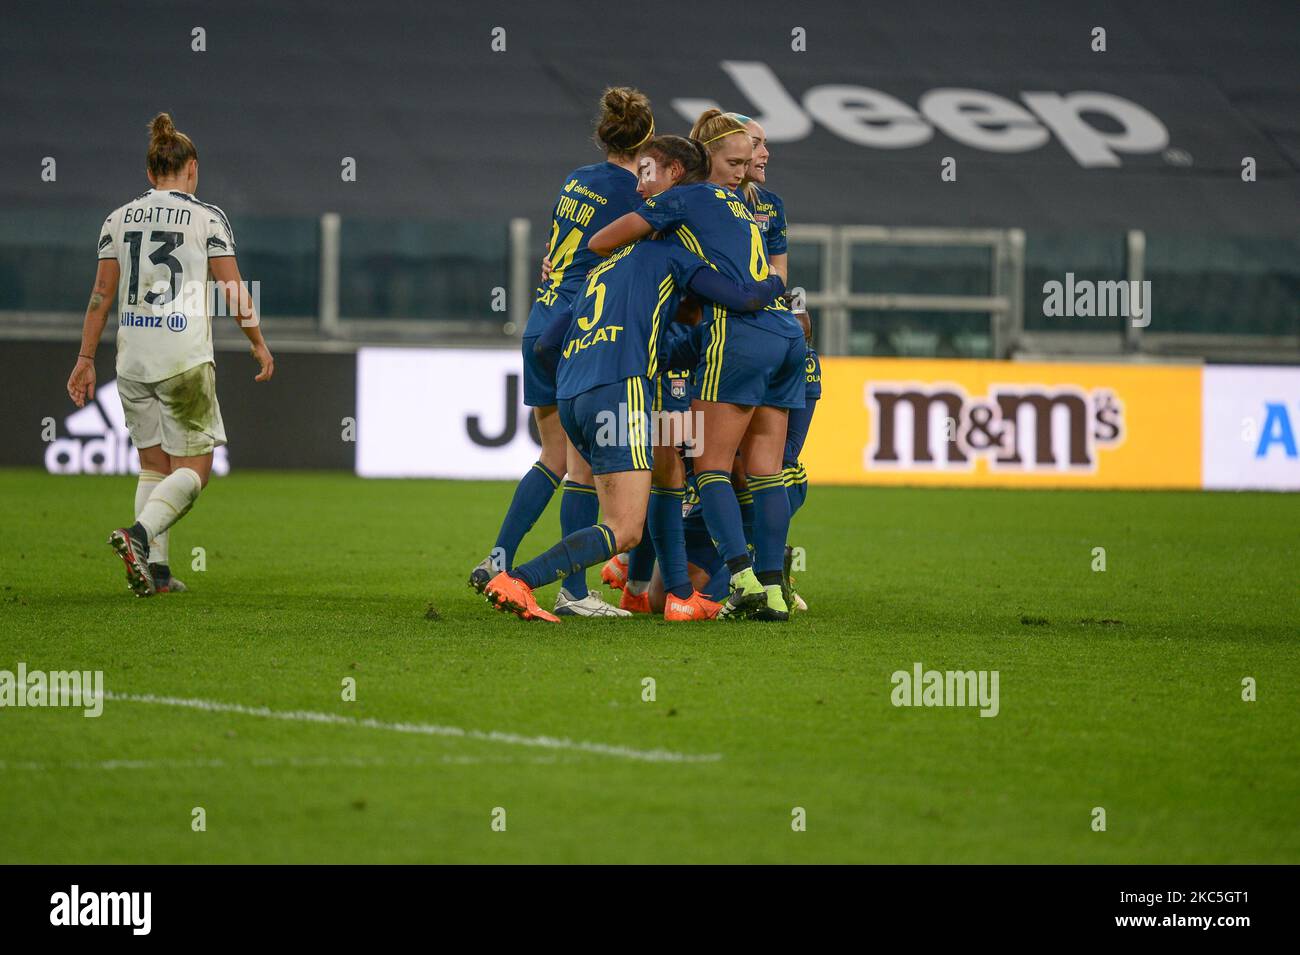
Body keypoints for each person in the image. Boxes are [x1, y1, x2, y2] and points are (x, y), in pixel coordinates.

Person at [482, 223, 784, 622]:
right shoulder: (671, 257)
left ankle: (664, 592)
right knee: (627, 525)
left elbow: (546, 344)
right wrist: (774, 284)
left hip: (575, 395)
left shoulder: (602, 268)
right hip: (626, 393)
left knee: (657, 479)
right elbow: (741, 297)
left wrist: (587, 373)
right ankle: (518, 580)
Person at [588, 112, 806, 621]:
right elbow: (772, 278)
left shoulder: (684, 200)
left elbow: (602, 240)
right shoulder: (750, 208)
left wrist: (644, 260)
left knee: (704, 468)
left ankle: (741, 581)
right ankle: (772, 589)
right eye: (742, 156)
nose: (751, 163)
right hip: (788, 338)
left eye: (748, 156)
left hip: (734, 340)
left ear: (676, 167)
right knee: (765, 472)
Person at [67, 112, 273, 597]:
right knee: (193, 472)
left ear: (149, 172)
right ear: (192, 168)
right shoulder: (207, 217)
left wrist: (84, 358)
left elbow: (100, 295)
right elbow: (234, 290)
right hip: (182, 360)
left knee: (153, 467)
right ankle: (137, 537)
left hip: (132, 361)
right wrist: (258, 342)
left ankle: (156, 574)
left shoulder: (117, 219)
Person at [468, 87, 654, 618]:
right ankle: (573, 592)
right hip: (580, 329)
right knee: (579, 471)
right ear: (645, 143)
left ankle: (499, 555)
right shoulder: (633, 195)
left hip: (540, 320)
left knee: (554, 458)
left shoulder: (575, 179)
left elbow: (558, 248)